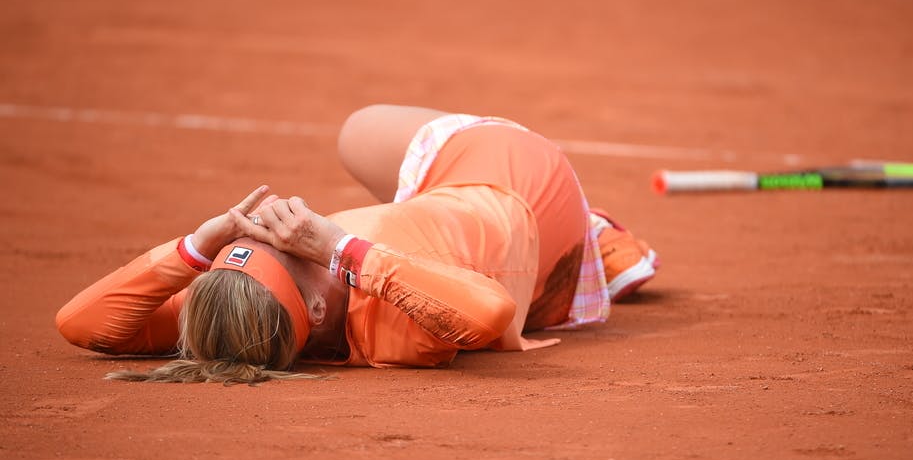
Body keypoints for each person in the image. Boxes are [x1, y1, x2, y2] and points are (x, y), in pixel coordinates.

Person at [55, 105, 659, 384]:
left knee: (354, 136)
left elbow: (80, 324)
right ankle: (594, 232)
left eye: (251, 236)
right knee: (363, 125)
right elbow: (491, 311)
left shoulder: (239, 316)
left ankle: (589, 240)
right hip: (527, 190)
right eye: (289, 246)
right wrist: (338, 246)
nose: (280, 223)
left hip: (458, 211)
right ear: (317, 308)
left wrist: (197, 245)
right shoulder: (404, 329)